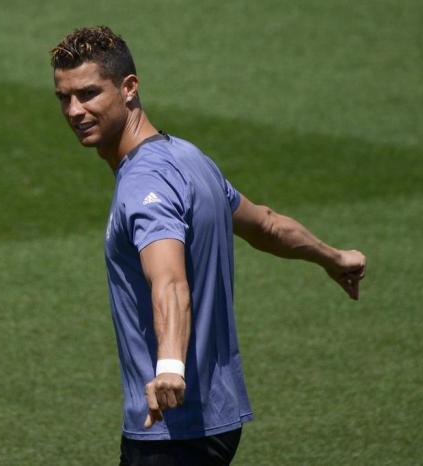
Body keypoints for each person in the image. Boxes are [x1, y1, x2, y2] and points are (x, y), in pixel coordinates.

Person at [51, 26, 366, 466]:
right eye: (63, 97)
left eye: (88, 94)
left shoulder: (145, 180)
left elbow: (169, 282)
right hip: (216, 419)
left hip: (173, 427)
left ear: (129, 88)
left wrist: (170, 369)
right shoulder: (188, 158)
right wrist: (333, 257)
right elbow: (267, 225)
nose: (74, 110)